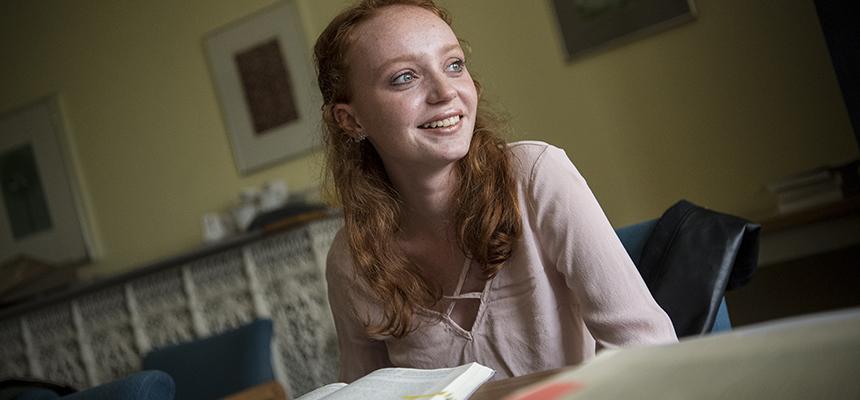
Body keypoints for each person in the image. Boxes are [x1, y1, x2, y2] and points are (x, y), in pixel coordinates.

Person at [314, 0, 677, 383]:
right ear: (350, 119)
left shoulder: (537, 177)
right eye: (405, 77)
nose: (445, 91)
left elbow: (647, 347)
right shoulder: (351, 260)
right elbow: (366, 394)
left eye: (454, 65)